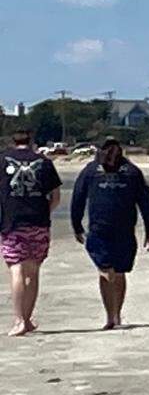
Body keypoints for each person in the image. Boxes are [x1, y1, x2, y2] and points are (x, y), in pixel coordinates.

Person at [70, 137, 149, 330]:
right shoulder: (91, 171)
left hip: (122, 231)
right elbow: (78, 198)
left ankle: (115, 314)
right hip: (100, 231)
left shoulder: (131, 172)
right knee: (108, 272)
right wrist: (76, 225)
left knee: (118, 273)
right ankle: (111, 315)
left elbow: (145, 201)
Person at [0, 129, 62, 336]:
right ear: (31, 141)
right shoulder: (44, 162)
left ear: (13, 141)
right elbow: (55, 196)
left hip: (12, 223)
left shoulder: (2, 160)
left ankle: (19, 320)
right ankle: (26, 319)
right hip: (39, 223)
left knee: (16, 269)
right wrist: (44, 212)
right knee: (32, 271)